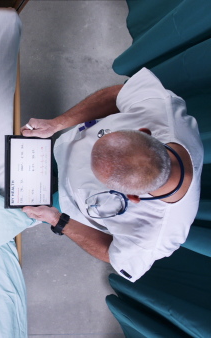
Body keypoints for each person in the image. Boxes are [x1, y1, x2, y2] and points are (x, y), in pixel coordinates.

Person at [20, 68, 203, 282]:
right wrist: (57, 124)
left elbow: (111, 253)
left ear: (133, 197)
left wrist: (57, 220)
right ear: (143, 132)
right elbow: (118, 95)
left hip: (69, 205)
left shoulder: (154, 237)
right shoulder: (160, 108)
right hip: (64, 146)